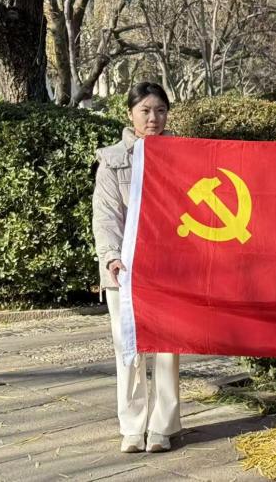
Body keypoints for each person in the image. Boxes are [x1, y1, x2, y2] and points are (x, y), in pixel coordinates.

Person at [92, 82, 181, 453]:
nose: (153, 118)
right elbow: (106, 215)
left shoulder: (184, 156)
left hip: (170, 269)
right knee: (127, 347)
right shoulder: (113, 160)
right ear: (130, 113)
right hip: (124, 270)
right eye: (145, 110)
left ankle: (163, 426)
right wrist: (112, 255)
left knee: (168, 348)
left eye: (160, 110)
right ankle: (132, 426)